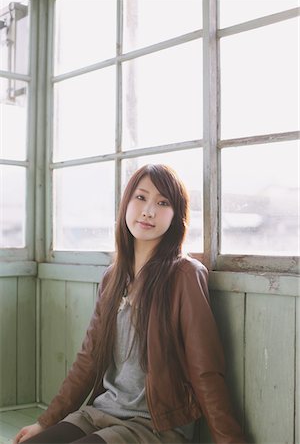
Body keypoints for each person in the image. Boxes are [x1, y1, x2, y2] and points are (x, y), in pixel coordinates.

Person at [14, 164, 246, 444]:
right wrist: (45, 422)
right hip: (98, 413)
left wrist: (231, 441)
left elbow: (205, 368)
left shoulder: (185, 274)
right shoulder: (112, 277)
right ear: (126, 203)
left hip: (154, 425)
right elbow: (88, 360)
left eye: (162, 202)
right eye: (141, 197)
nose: (149, 210)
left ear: (176, 216)